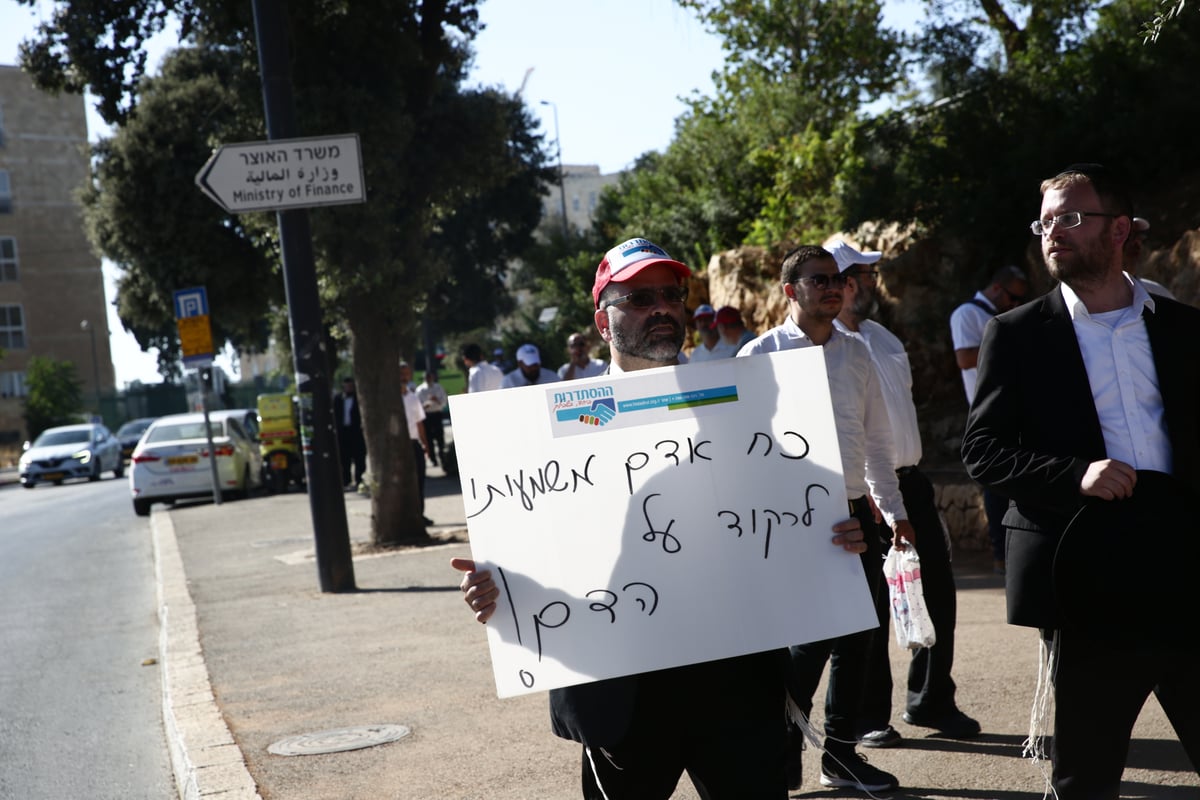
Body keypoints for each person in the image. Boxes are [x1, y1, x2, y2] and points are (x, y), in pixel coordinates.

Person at [451, 236, 870, 800]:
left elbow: (784, 518)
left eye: (671, 296)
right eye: (641, 298)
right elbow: (534, 547)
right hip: (621, 693)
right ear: (603, 323)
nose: (663, 309)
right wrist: (497, 591)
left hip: (737, 684)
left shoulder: (744, 402)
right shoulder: (541, 434)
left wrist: (836, 536)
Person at [962, 163, 1200, 798]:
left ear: (1119, 228)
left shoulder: (1182, 328)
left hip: (1185, 561)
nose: (1052, 232)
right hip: (1089, 568)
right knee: (1087, 775)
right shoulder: (1014, 335)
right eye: (1044, 221)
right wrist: (1075, 474)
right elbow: (982, 451)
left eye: (1070, 217)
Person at [739, 244, 915, 794]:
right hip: (789, 518)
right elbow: (741, 450)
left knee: (861, 637)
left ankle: (839, 756)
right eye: (819, 280)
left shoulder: (858, 354)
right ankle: (777, 752)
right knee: (804, 644)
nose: (834, 287)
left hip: (852, 513)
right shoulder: (757, 356)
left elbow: (877, 444)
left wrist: (895, 512)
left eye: (838, 279)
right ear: (790, 291)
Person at [828, 240, 981, 749]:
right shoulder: (821, 348)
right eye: (867, 275)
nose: (873, 284)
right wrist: (869, 489)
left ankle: (932, 699)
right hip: (858, 489)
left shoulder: (884, 339)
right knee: (870, 607)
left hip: (910, 481)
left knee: (938, 589)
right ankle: (870, 717)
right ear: (847, 281)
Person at [949, 264, 1029, 574]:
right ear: (997, 288)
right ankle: (1001, 554)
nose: (1014, 305)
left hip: (1016, 409)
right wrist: (1011, 343)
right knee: (996, 489)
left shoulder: (998, 315)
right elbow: (964, 358)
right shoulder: (967, 314)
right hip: (989, 413)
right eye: (1011, 298)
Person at [399, 361, 431, 525]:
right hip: (398, 446)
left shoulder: (413, 397)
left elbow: (419, 422)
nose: (404, 377)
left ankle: (420, 514)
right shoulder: (389, 399)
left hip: (413, 443)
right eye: (401, 373)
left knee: (419, 481)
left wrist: (425, 445)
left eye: (406, 373)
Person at [1125, 216, 1176, 299]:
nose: (1136, 243)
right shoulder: (1098, 296)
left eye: (1138, 236)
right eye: (1129, 236)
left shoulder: (1159, 293)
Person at [332, 376, 366, 490]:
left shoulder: (359, 398)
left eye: (351, 386)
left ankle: (359, 479)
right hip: (343, 432)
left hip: (356, 431)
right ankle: (345, 480)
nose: (349, 388)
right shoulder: (338, 399)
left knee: (359, 457)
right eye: (347, 386)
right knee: (344, 458)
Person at [415, 369, 448, 467]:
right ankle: (433, 458)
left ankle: (442, 457)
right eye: (427, 377)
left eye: (430, 377)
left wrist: (437, 400)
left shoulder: (438, 388)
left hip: (437, 414)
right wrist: (424, 406)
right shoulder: (420, 390)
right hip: (427, 416)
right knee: (429, 439)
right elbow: (417, 405)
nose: (429, 379)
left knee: (440, 437)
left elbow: (444, 402)